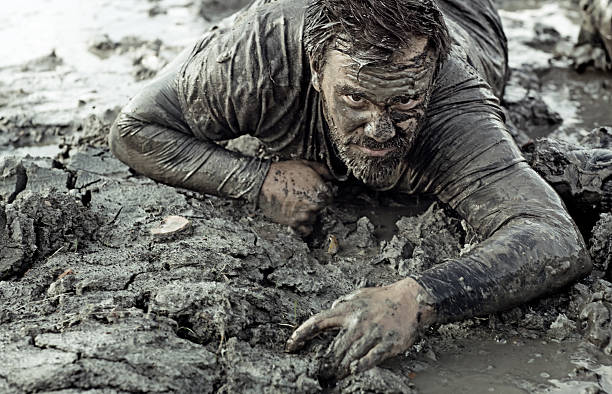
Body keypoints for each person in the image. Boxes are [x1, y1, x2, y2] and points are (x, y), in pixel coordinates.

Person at [109, 0, 592, 378]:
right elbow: (134, 128)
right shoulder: (259, 56)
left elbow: (553, 236)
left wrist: (417, 298)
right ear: (316, 71)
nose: (381, 131)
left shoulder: (454, 103)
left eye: (405, 100)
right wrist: (255, 180)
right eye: (356, 97)